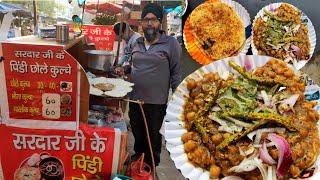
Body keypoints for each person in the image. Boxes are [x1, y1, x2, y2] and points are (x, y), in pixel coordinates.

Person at [122, 3, 182, 168]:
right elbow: (132, 64)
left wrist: (178, 100)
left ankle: (150, 166)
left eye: (153, 20)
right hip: (135, 100)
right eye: (146, 19)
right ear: (141, 23)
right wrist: (124, 69)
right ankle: (138, 162)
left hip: (156, 103)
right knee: (138, 134)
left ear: (159, 23)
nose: (149, 23)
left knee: (153, 137)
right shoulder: (137, 42)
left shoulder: (170, 44)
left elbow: (176, 73)